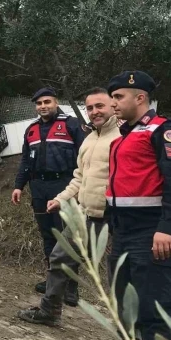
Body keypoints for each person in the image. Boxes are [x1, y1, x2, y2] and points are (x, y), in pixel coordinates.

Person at [105, 70, 171, 340]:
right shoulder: (127, 134)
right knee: (124, 301)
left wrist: (168, 225)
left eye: (118, 97)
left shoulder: (164, 131)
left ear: (140, 98)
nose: (113, 103)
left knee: (155, 310)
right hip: (124, 231)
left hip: (153, 231)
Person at [17, 87, 120, 324]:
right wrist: (61, 198)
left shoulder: (122, 137)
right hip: (84, 213)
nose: (95, 112)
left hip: (115, 217)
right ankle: (49, 311)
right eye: (91, 108)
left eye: (100, 106)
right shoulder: (92, 138)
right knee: (60, 256)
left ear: (113, 105)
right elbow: (80, 176)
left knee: (121, 275)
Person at [11, 87, 85, 293]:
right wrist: (19, 185)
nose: (43, 106)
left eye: (47, 102)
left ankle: (71, 287)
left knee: (67, 236)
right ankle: (53, 280)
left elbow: (85, 158)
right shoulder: (31, 129)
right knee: (48, 236)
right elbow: (25, 160)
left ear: (56, 102)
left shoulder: (71, 125)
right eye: (39, 103)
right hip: (39, 188)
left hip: (64, 185)